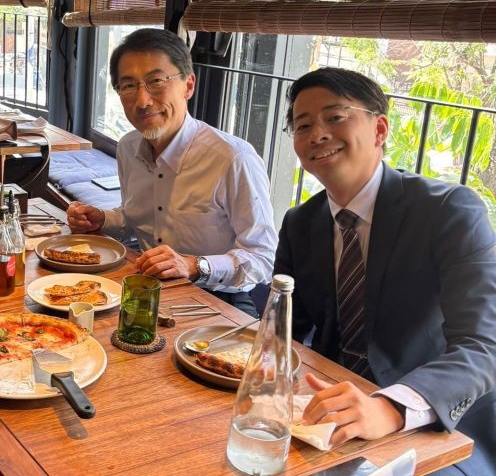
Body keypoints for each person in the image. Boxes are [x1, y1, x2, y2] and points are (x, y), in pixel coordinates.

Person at [275, 67, 496, 474]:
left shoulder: (448, 211)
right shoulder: (299, 223)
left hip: (434, 423)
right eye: (303, 125)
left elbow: (483, 345)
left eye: (335, 117)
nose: (317, 134)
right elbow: (284, 328)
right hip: (327, 405)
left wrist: (392, 407)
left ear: (379, 129)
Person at [66, 28, 277, 316]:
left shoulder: (232, 158)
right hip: (145, 287)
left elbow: (263, 258)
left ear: (188, 85)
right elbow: (137, 218)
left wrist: (194, 265)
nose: (142, 101)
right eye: (128, 86)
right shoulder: (129, 147)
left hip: (216, 298)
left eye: (156, 81)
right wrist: (102, 218)